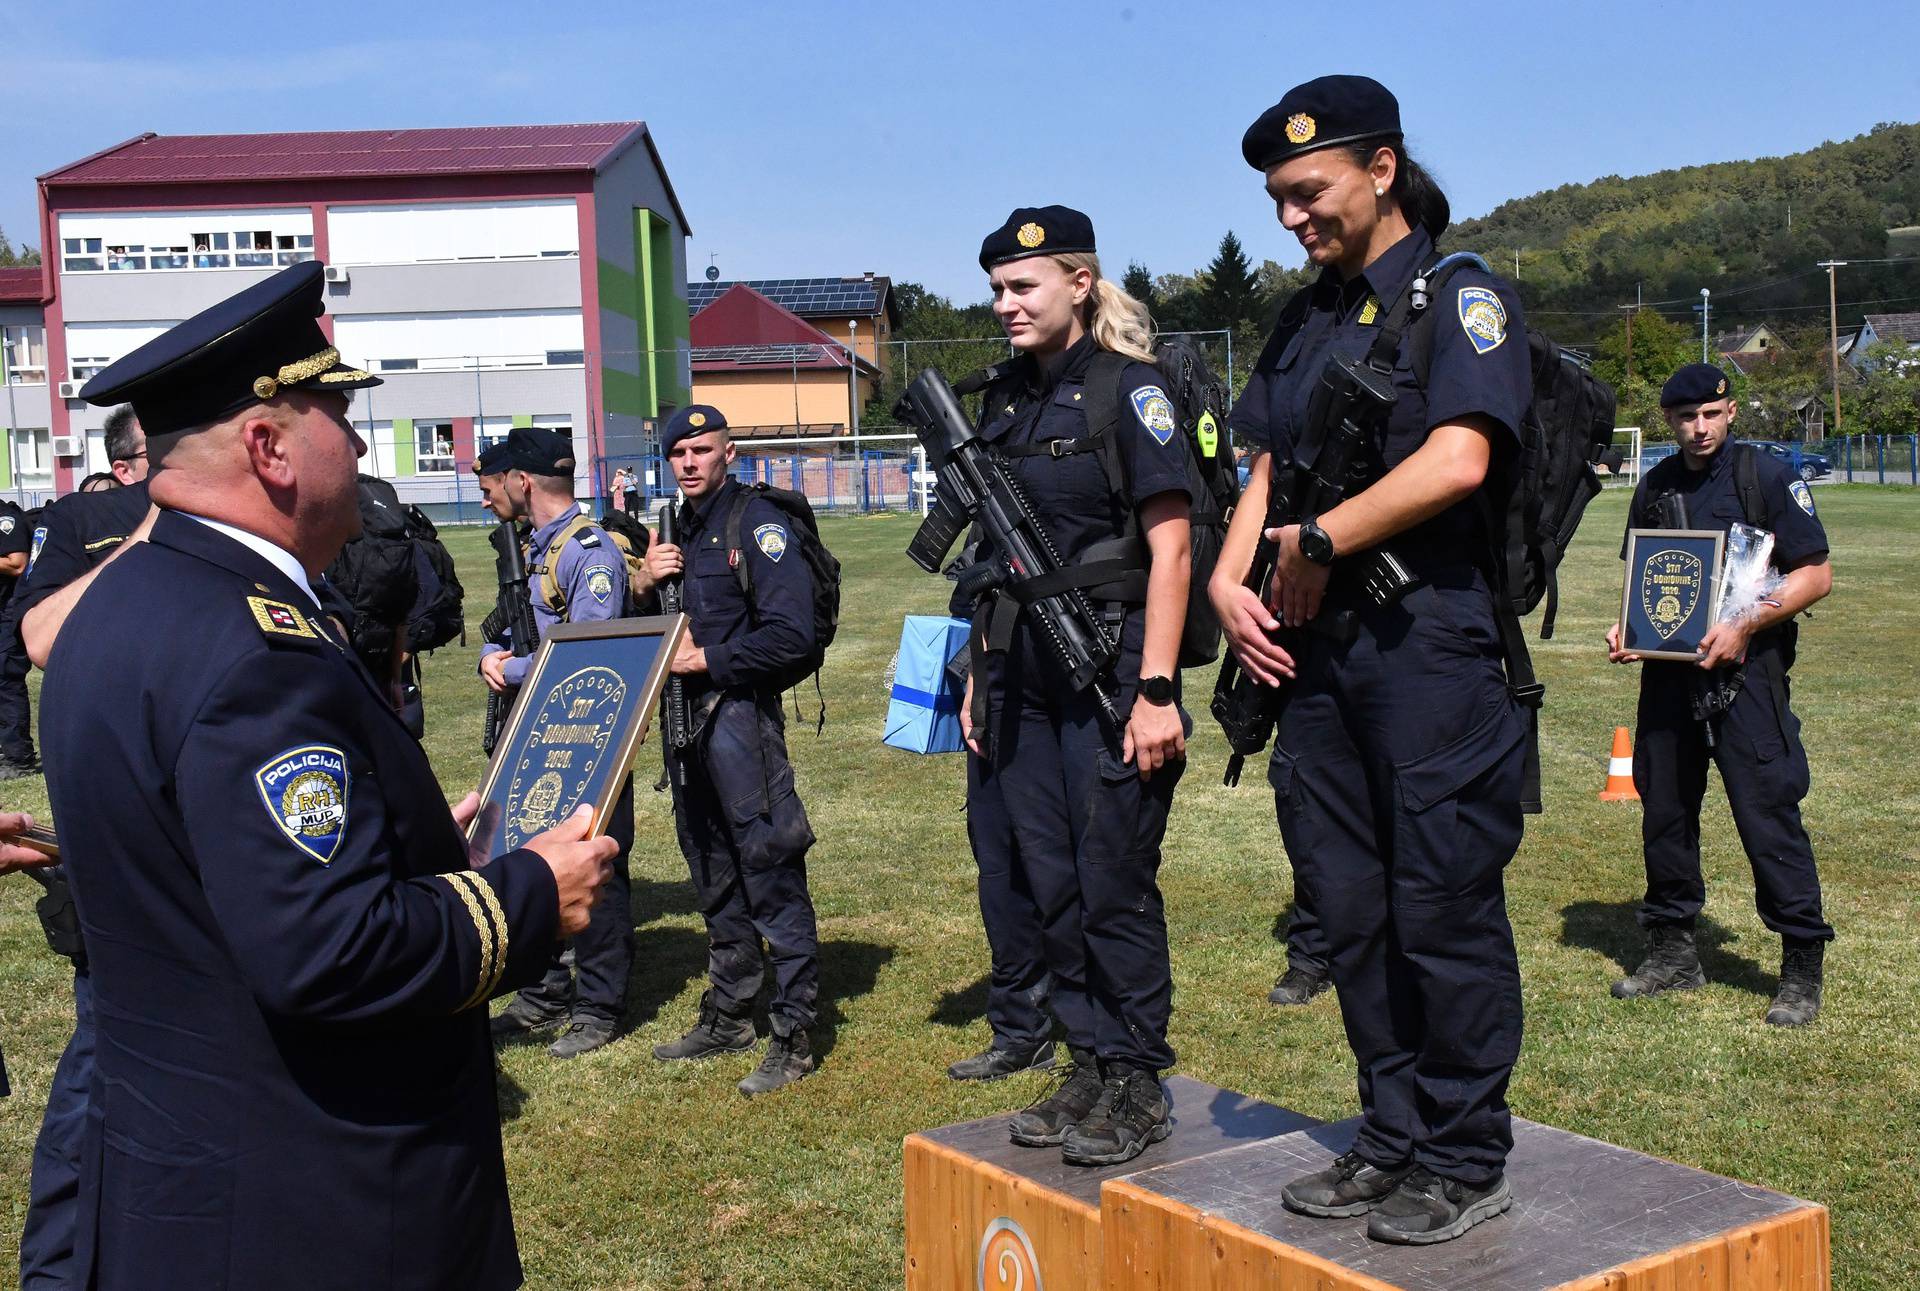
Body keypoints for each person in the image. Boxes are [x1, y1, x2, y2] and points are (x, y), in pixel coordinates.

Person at [32, 260, 615, 1290]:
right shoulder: (257, 650)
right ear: (268, 446)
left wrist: (404, 836)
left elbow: (222, 866)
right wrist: (528, 893)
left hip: (184, 1189)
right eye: (338, 412)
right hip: (317, 1212)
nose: (357, 441)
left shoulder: (114, 611)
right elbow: (330, 951)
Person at [1214, 77, 1533, 1243]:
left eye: (1310, 191)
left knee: (1439, 905)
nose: (1292, 217)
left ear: (1382, 170)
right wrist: (1228, 578)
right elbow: (1260, 466)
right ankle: (1389, 1135)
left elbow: (1458, 460)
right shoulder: (1303, 319)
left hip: (1429, 650)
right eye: (1277, 200)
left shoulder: (1462, 298)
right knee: (1349, 906)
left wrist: (1319, 542)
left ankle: (1463, 1153)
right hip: (1317, 656)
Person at [948, 206, 1192, 1166]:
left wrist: (1159, 688)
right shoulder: (1004, 401)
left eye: (1023, 287)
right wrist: (978, 670)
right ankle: (1086, 1057)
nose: (1004, 305)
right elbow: (990, 554)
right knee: (1047, 879)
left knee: (1112, 881)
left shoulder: (1129, 394)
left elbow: (1170, 550)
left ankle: (1136, 1074)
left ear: (1080, 284)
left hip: (1113, 670)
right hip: (1020, 674)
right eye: (997, 290)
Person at [1606, 362, 1834, 1027]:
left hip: (1747, 675)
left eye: (1710, 414)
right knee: (1665, 814)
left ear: (1730, 412)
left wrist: (1746, 624)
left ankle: (1800, 962)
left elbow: (1815, 575)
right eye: (1685, 417)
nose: (1699, 428)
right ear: (1668, 421)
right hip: (1669, 680)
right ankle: (1673, 951)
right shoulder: (1654, 486)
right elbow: (1648, 585)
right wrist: (1629, 630)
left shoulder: (1763, 477)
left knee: (1768, 813)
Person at [640, 404, 824, 1097]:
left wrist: (706, 660)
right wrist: (642, 581)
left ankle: (794, 1030)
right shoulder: (675, 529)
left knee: (769, 866)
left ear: (730, 451)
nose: (688, 462)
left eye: (701, 449)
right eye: (678, 451)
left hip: (739, 717)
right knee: (712, 867)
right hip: (685, 724)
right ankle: (728, 1012)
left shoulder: (758, 523)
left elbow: (793, 634)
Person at [9, 405, 153, 1290]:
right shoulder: (78, 525)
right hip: (121, 846)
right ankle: (59, 1268)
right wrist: (150, 535)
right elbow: (38, 639)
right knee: (100, 1064)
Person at [478, 425, 638, 1059]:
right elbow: (516, 627)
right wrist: (495, 648)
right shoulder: (531, 549)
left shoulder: (587, 551)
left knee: (596, 863)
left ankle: (600, 1003)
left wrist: (511, 668)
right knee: (526, 853)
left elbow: (590, 649)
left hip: (587, 732)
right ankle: (542, 987)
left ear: (522, 482)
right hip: (537, 730)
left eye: (496, 482)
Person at [0, 495, 33, 781]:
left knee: (6, 680)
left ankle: (18, 758)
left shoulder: (5, 519)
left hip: (8, 614)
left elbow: (17, 564)